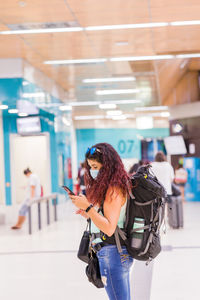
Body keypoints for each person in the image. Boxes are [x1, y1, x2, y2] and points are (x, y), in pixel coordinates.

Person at [69, 143, 133, 300]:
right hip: (115, 253)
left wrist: (89, 208)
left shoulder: (114, 189)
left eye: (96, 166)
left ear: (108, 165)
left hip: (113, 253)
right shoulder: (114, 186)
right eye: (91, 166)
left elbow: (110, 228)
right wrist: (89, 213)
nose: (93, 171)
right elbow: (110, 220)